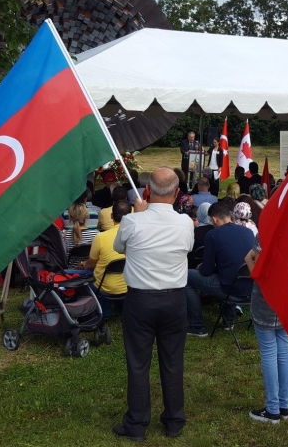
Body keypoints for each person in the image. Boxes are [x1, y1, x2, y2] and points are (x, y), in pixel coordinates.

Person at [112, 167, 194, 441]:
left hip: (140, 300)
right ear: (177, 193)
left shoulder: (133, 222)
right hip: (173, 299)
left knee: (138, 363)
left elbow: (119, 247)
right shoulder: (184, 223)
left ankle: (136, 424)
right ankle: (173, 421)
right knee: (172, 361)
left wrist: (138, 213)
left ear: (146, 191)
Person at [185, 201, 256, 337]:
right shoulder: (248, 231)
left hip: (229, 288)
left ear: (214, 219)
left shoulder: (213, 235)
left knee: (187, 277)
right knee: (230, 272)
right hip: (250, 288)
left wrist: (201, 267)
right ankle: (228, 321)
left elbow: (207, 271)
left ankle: (197, 326)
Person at [245, 237, 288, 424]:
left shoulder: (268, 230)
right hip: (287, 294)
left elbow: (250, 257)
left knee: (269, 351)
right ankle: (284, 406)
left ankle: (273, 409)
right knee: (283, 348)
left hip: (267, 294)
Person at [83, 200, 131, 318]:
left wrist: (83, 264)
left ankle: (104, 309)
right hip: (129, 286)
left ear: (111, 216)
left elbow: (90, 265)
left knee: (84, 278)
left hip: (103, 287)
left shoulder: (100, 237)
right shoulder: (136, 236)